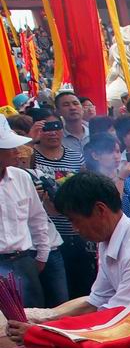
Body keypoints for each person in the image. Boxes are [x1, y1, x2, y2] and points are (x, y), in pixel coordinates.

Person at [5, 172, 130, 342]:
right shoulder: (108, 240)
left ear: (100, 210)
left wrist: (43, 332)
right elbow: (95, 302)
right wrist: (43, 322)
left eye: (75, 220)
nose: (75, 229)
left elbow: (115, 319)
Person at [31, 110, 94, 298]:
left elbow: (84, 188)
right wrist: (31, 141)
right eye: (46, 128)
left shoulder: (76, 156)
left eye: (56, 127)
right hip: (49, 239)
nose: (52, 132)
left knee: (83, 286)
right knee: (59, 293)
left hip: (76, 231)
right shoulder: (31, 155)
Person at [0, 118, 53, 309]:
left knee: (31, 318)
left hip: (23, 261)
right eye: (10, 148)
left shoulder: (22, 177)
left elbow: (37, 217)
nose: (17, 152)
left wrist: (42, 254)